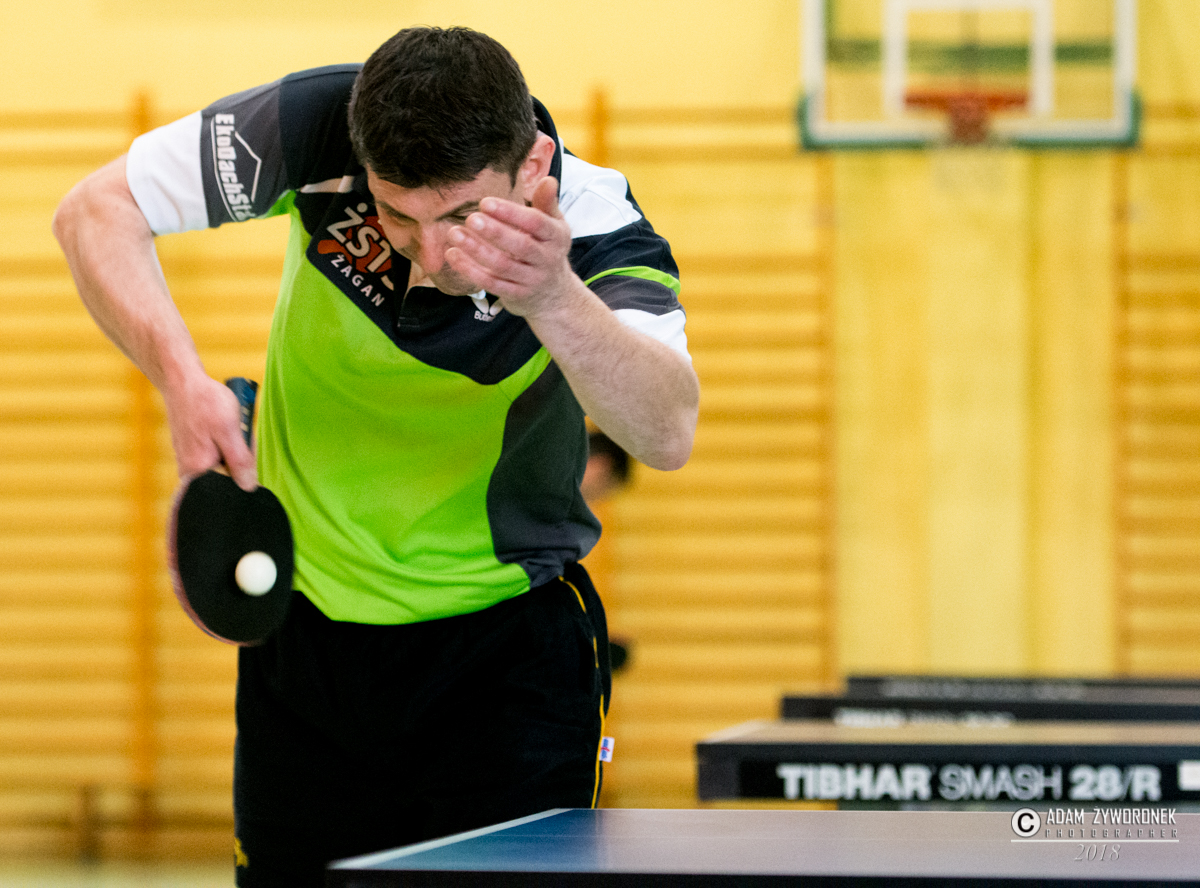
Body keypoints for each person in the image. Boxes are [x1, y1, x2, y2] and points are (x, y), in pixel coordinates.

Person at [53, 25, 698, 888]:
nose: (430, 256)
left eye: (463, 216)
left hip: (505, 662)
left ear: (534, 165)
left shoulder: (595, 222)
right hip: (306, 646)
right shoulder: (315, 126)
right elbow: (93, 212)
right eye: (397, 215)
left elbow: (667, 431)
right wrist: (179, 377)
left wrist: (552, 296)